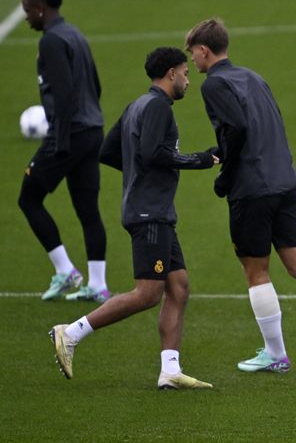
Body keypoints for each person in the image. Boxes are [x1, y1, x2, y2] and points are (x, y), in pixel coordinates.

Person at [184, 18, 296, 377]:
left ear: (204, 50)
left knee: (256, 270)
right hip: (284, 182)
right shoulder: (254, 77)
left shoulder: (214, 85)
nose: (192, 61)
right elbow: (274, 123)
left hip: (251, 189)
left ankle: (276, 354)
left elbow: (235, 128)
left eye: (192, 53)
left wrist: (225, 174)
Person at [49, 47, 218, 390]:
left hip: (153, 211)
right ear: (171, 73)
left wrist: (140, 173)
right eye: (185, 73)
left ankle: (170, 369)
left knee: (179, 286)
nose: (188, 79)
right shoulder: (157, 107)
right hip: (149, 213)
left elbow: (109, 152)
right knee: (147, 293)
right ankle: (71, 333)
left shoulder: (136, 105)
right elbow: (152, 153)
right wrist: (199, 160)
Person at [18, 0, 109, 302]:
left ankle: (65, 270)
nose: (26, 16)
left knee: (28, 198)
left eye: (28, 10)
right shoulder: (76, 34)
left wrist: (60, 140)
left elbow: (65, 94)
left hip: (68, 134)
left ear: (41, 8)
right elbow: (95, 87)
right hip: (92, 131)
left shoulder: (52, 41)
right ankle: (98, 284)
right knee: (88, 209)